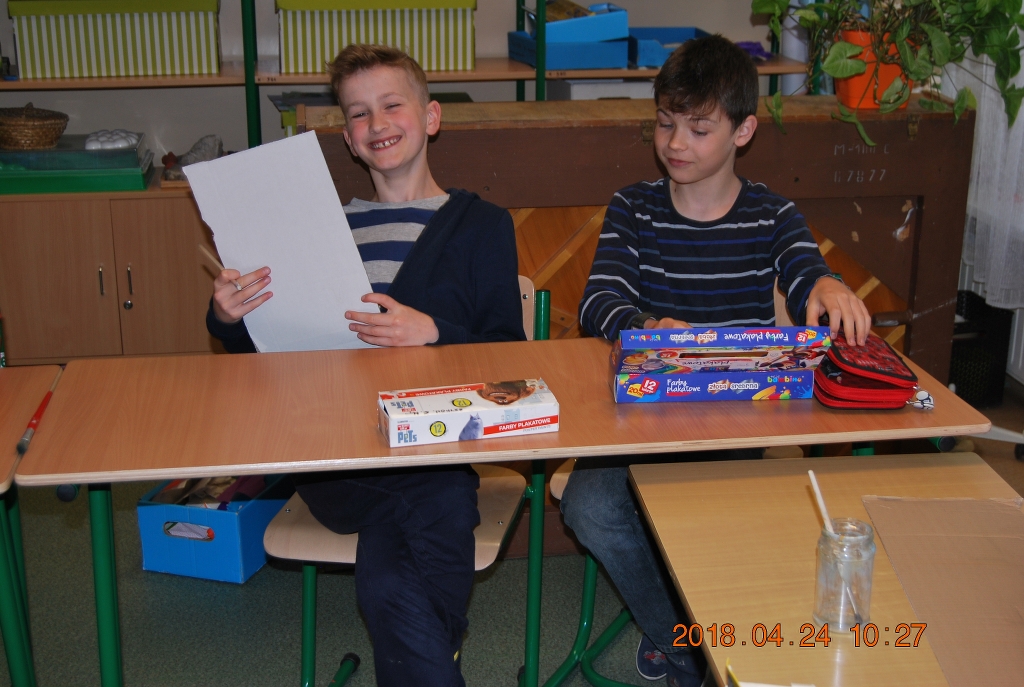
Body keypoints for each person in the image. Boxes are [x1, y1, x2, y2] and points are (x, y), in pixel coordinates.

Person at [205, 45, 525, 687]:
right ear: (349, 139)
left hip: (435, 443)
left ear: (430, 117)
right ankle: (438, 655)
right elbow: (263, 358)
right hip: (339, 456)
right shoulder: (318, 232)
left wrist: (433, 333)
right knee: (439, 497)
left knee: (388, 576)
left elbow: (509, 359)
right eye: (358, 113)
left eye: (391, 105)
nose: (376, 123)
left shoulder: (484, 226)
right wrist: (228, 318)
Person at [563, 35, 871, 687]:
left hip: (736, 422)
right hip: (641, 418)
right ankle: (689, 643)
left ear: (743, 131)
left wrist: (827, 284)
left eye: (699, 129)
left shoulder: (772, 214)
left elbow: (804, 271)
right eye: (665, 123)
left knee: (727, 512)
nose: (676, 143)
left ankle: (688, 640)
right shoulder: (634, 207)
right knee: (589, 506)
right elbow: (599, 299)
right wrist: (643, 327)